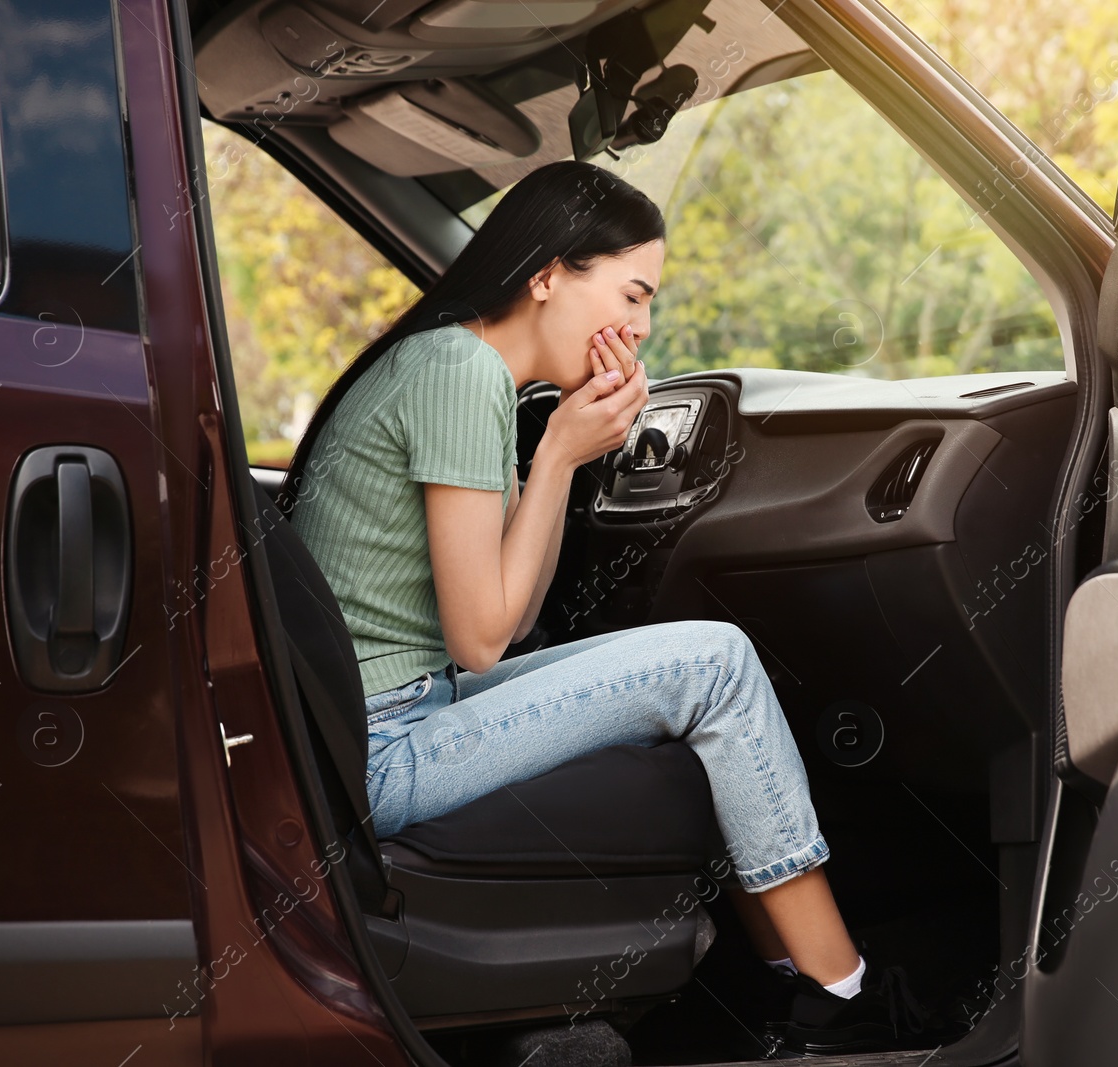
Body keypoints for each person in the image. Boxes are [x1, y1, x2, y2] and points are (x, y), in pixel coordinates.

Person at [280, 159, 937, 1055]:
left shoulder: (461, 368)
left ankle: (776, 981)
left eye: (652, 301)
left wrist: (560, 448)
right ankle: (843, 996)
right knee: (716, 662)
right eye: (633, 292)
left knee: (698, 689)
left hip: (395, 714)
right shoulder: (459, 369)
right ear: (548, 272)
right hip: (389, 747)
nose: (641, 325)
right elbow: (481, 640)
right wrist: (554, 461)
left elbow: (512, 616)